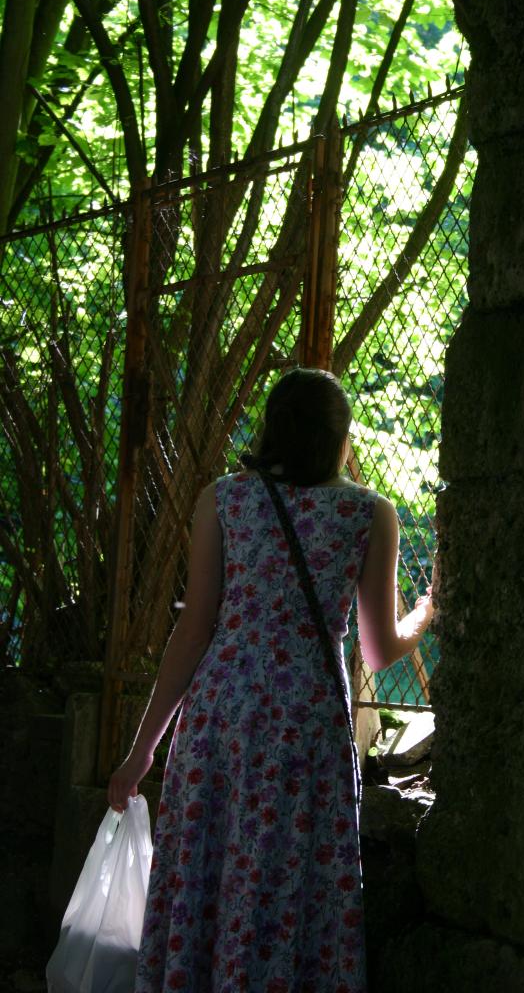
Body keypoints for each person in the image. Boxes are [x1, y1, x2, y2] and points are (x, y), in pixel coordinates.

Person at [108, 367, 434, 993]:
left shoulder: (223, 501)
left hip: (219, 720)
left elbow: (193, 631)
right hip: (304, 727)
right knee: (285, 883)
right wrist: (426, 613)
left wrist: (142, 750)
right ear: (340, 437)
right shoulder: (369, 513)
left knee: (210, 872)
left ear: (272, 429)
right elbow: (378, 649)